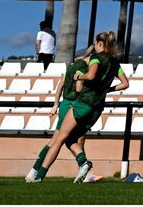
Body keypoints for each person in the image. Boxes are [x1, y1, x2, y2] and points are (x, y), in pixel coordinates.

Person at [27, 31, 129, 182]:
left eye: (96, 44)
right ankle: (83, 164)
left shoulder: (95, 59)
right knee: (73, 139)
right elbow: (125, 84)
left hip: (83, 103)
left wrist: (79, 77)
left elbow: (91, 76)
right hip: (97, 107)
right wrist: (108, 89)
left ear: (100, 44)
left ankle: (38, 175)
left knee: (59, 139)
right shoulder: (115, 63)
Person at [27, 47, 101, 183]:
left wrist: (56, 103)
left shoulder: (72, 66)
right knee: (59, 140)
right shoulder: (84, 68)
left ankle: (84, 170)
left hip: (65, 103)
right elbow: (79, 88)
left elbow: (60, 85)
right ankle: (35, 173)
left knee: (72, 138)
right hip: (74, 104)